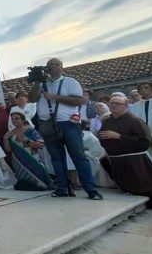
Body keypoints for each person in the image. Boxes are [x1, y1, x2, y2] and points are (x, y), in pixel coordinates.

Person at [28, 58, 104, 200]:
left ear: (62, 68)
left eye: (56, 64)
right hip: (48, 124)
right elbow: (31, 99)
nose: (52, 67)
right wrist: (37, 81)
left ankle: (90, 189)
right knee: (57, 158)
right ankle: (62, 188)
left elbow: (79, 100)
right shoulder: (44, 84)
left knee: (79, 156)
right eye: (49, 65)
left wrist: (55, 97)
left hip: (69, 124)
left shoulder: (71, 82)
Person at [98, 95, 152, 207]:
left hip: (135, 161)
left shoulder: (134, 120)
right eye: (112, 103)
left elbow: (145, 141)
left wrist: (119, 137)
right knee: (127, 186)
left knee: (144, 188)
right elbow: (102, 137)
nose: (114, 105)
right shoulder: (107, 122)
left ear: (125, 106)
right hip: (116, 159)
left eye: (117, 103)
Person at [3, 112, 52, 191]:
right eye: (12, 119)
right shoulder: (10, 133)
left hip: (33, 159)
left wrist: (27, 141)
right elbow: (8, 150)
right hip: (18, 162)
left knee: (41, 180)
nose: (14, 121)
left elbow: (41, 145)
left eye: (17, 118)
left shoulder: (31, 131)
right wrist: (5, 139)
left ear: (23, 120)